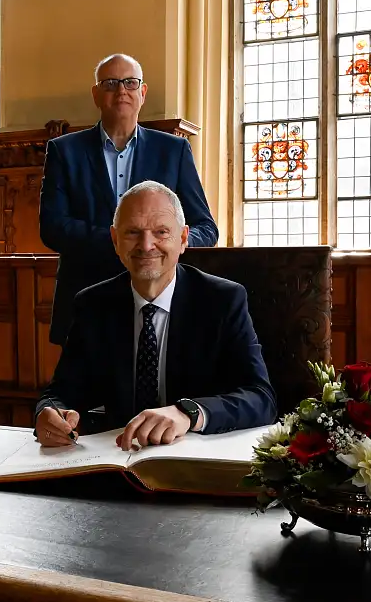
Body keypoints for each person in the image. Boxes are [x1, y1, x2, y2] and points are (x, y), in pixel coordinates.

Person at [34, 181, 277, 450]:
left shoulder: (222, 300)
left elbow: (261, 398)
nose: (146, 245)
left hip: (198, 460)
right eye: (133, 233)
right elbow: (62, 392)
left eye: (161, 232)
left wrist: (188, 413)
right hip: (119, 459)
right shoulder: (92, 304)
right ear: (115, 240)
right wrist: (51, 412)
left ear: (183, 239)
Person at [39, 53, 218, 346]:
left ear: (142, 93)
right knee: (85, 391)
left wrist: (163, 243)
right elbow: (52, 227)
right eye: (110, 83)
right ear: (96, 94)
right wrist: (122, 241)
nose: (121, 90)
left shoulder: (174, 151)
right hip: (86, 298)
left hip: (160, 301)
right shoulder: (64, 151)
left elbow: (206, 229)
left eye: (130, 83)